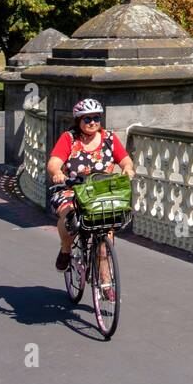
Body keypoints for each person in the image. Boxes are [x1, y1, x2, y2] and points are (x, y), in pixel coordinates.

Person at [47, 98, 135, 282]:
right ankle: (65, 250)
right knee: (69, 217)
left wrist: (128, 168)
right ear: (78, 120)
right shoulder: (69, 138)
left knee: (106, 238)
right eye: (87, 119)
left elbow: (125, 159)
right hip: (72, 190)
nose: (92, 122)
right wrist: (57, 173)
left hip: (101, 192)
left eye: (96, 118)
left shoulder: (109, 138)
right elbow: (54, 163)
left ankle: (105, 281)